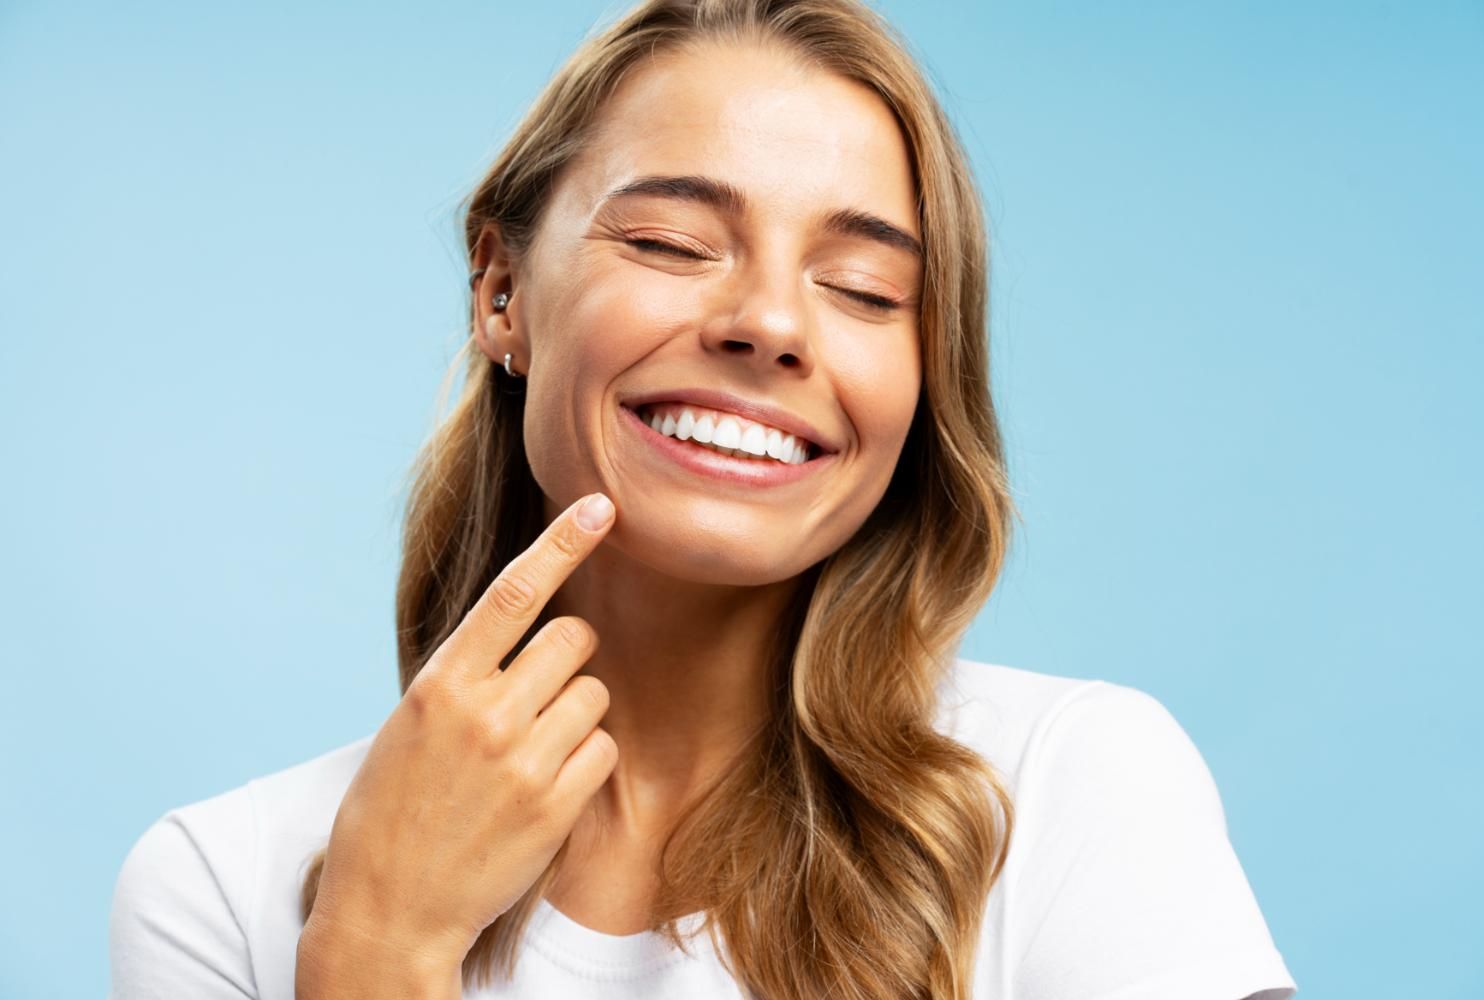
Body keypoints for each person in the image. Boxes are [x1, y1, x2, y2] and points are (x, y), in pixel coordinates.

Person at [108, 1, 1298, 997]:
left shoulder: (1065, 789)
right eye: (676, 243)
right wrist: (377, 947)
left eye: (864, 288)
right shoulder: (222, 883)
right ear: (502, 288)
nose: (772, 324)